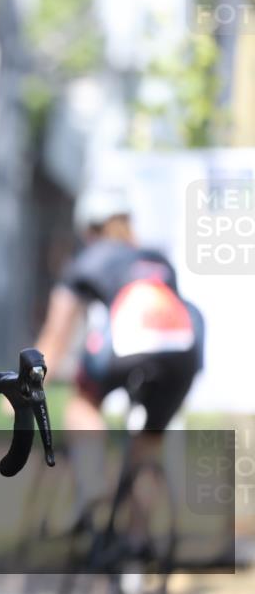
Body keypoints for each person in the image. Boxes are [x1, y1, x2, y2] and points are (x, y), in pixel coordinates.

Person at [34, 186, 203, 537]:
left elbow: (55, 336)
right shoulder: (156, 258)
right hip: (184, 353)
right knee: (149, 440)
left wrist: (32, 383)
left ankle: (93, 484)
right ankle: (137, 540)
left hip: (131, 346)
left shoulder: (87, 261)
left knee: (83, 401)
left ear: (88, 229)